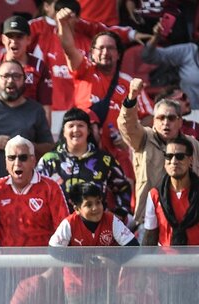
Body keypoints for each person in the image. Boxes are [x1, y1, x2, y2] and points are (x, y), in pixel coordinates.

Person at [49, 183, 138, 304]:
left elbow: (133, 246)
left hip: (104, 284)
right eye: (88, 204)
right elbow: (54, 249)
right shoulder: (69, 224)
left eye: (98, 202)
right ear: (77, 208)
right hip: (77, 286)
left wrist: (114, 261)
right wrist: (82, 260)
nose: (96, 208)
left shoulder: (111, 221)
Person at [57, 8, 152, 181]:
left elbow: (150, 117)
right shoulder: (83, 71)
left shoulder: (129, 83)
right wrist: (63, 24)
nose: (105, 53)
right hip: (83, 157)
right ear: (92, 53)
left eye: (110, 48)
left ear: (118, 54)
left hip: (118, 158)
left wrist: (130, 135)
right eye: (100, 48)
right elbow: (69, 48)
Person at [118, 77, 199, 226]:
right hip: (149, 219)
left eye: (171, 118)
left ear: (180, 121)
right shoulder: (143, 138)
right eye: (161, 118)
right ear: (154, 121)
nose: (166, 123)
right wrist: (132, 97)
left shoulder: (195, 146)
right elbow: (127, 125)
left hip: (189, 219)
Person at [36, 107, 133, 223]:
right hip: (57, 227)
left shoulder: (104, 159)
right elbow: (36, 192)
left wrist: (120, 214)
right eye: (71, 126)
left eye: (81, 125)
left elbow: (123, 187)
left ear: (88, 131)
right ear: (64, 131)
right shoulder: (49, 160)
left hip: (96, 227)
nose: (76, 129)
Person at [142, 136, 199, 247]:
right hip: (166, 262)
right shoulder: (154, 195)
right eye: (169, 156)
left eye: (180, 156)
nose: (174, 161)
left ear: (190, 160)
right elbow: (150, 235)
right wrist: (144, 263)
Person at [0, 136, 70, 247]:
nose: (17, 163)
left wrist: (55, 261)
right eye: (11, 158)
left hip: (43, 261)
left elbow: (64, 228)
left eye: (23, 157)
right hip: (8, 261)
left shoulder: (50, 188)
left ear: (33, 161)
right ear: (6, 163)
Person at [0, 15, 53, 123]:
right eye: (10, 36)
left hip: (29, 126)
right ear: (3, 39)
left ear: (29, 39)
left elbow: (45, 107)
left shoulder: (40, 67)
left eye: (19, 37)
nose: (14, 41)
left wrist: (45, 137)